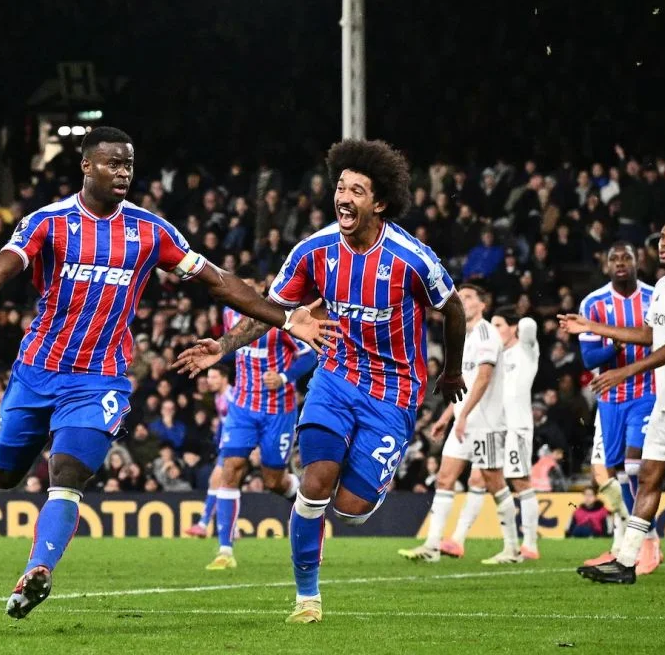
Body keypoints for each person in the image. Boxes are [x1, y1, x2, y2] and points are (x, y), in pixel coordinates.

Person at [0, 127, 332, 620]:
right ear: (86, 166)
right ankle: (15, 482)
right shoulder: (49, 222)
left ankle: (38, 571)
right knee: (6, 475)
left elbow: (218, 281)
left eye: (128, 164)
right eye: (112, 163)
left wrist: (283, 315)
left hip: (99, 379)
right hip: (36, 371)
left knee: (66, 476)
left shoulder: (151, 231)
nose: (123, 171)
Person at [176, 139, 467, 624]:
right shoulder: (314, 251)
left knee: (351, 509)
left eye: (357, 189)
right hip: (335, 379)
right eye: (339, 187)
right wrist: (223, 347)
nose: (343, 197)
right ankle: (307, 599)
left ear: (380, 202)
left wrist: (452, 369)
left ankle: (353, 497)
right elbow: (272, 310)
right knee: (314, 484)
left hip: (393, 393)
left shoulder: (411, 258)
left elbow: (453, 308)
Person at [564, 219, 665, 585]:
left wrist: (624, 372)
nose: (664, 244)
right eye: (661, 238)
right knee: (648, 477)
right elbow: (650, 335)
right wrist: (592, 327)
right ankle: (626, 562)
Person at [399, 284, 522, 565]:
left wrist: (463, 416)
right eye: (460, 297)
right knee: (444, 478)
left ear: (483, 304)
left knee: (495, 483)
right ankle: (432, 545)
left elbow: (483, 378)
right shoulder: (464, 336)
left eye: (468, 297)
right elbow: (463, 384)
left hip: (486, 423)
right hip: (463, 422)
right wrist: (447, 417)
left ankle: (512, 548)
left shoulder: (487, 333)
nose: (463, 301)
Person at [202, 279, 317, 571]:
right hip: (241, 408)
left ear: (262, 288)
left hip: (278, 411)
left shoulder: (279, 317)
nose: (243, 294)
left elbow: (310, 355)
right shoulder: (230, 315)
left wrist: (284, 377)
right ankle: (225, 550)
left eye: (249, 288)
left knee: (273, 481)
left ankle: (309, 503)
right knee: (231, 469)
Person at [576, 242, 662, 573]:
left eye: (627, 257)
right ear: (606, 266)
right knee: (615, 472)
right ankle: (627, 544)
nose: (621, 263)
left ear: (638, 261)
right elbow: (589, 358)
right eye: (615, 259)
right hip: (610, 399)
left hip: (648, 391)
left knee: (634, 466)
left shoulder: (655, 296)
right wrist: (617, 343)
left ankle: (647, 544)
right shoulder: (593, 303)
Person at [491, 306, 542, 559]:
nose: (494, 330)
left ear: (513, 328)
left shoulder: (526, 350)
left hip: (517, 427)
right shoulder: (495, 357)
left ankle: (530, 543)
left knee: (520, 482)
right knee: (489, 481)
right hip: (496, 428)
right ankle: (509, 545)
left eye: (498, 325)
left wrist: (520, 315)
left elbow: (530, 325)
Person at [184, 370, 233, 539]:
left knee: (221, 483)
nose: (209, 381)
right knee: (221, 483)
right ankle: (207, 525)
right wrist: (218, 440)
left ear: (224, 378)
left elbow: (241, 420)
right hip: (227, 446)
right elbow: (223, 422)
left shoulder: (232, 396)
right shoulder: (219, 398)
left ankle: (206, 524)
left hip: (238, 446)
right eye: (209, 377)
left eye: (214, 377)